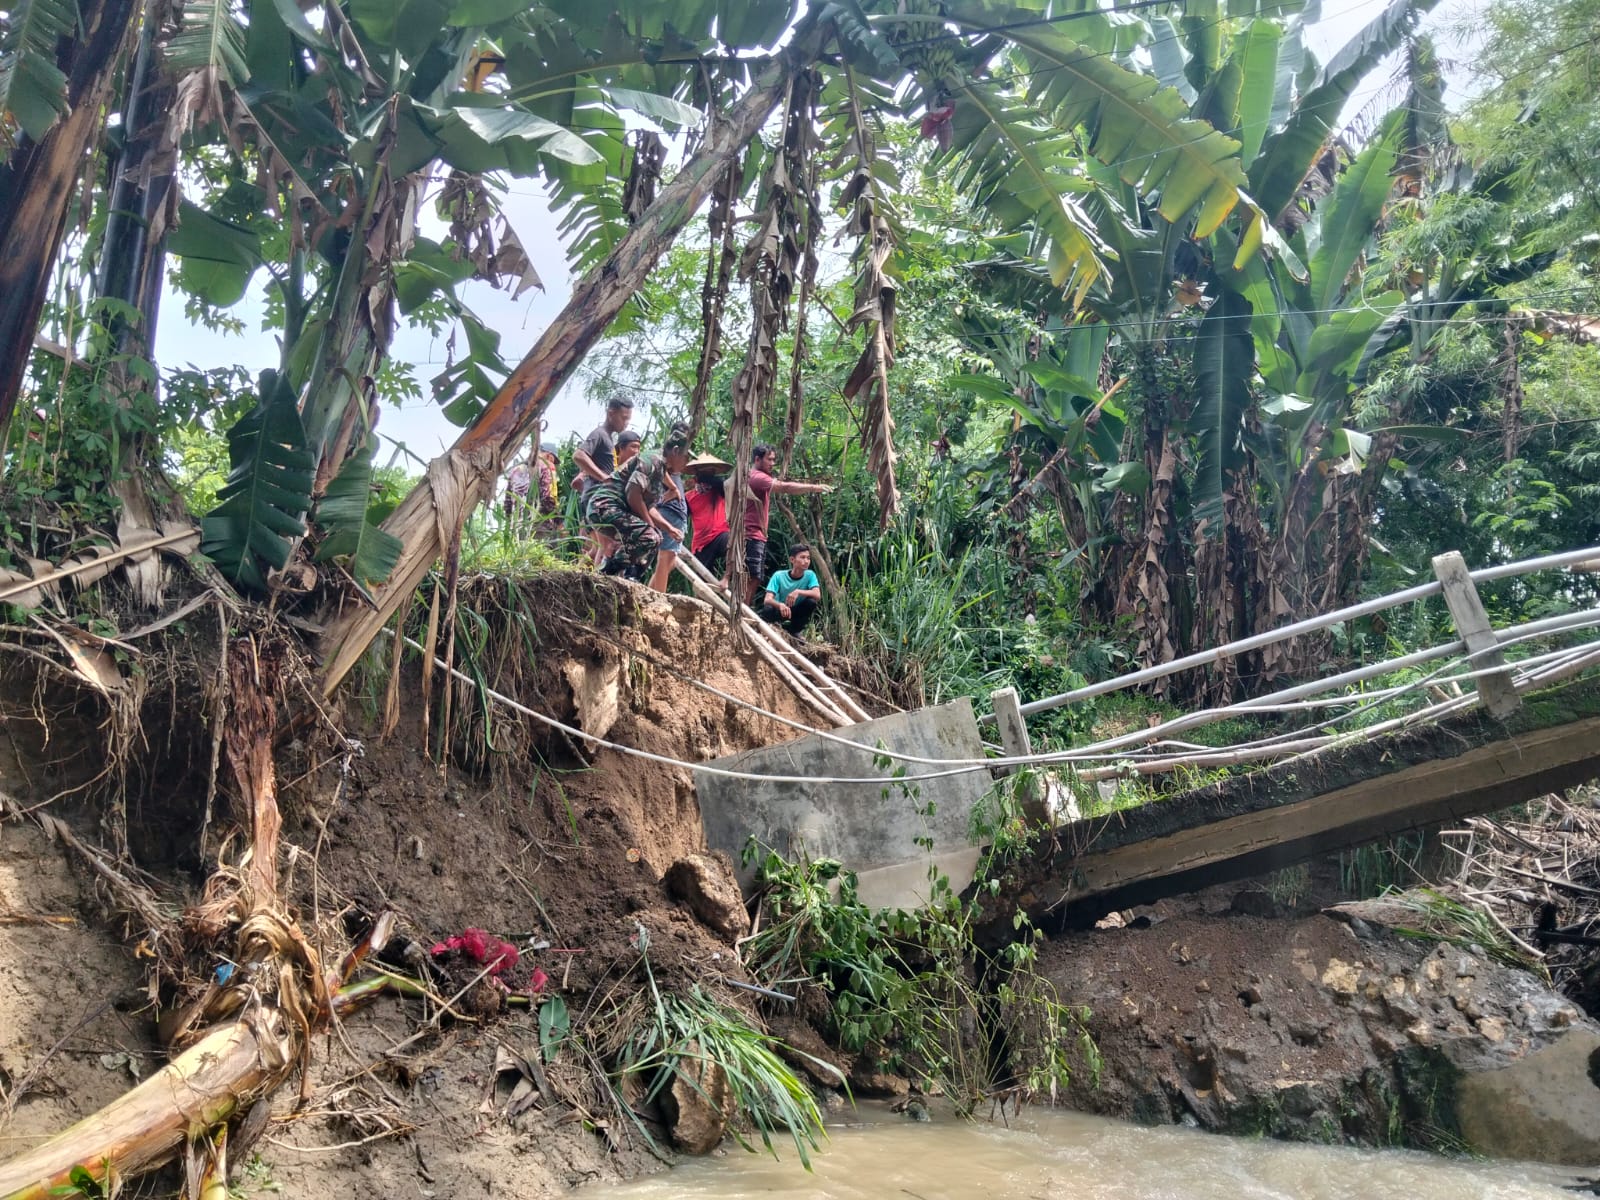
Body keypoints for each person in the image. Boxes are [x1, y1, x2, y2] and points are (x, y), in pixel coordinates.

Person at [587, 424, 694, 582]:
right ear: (676, 451)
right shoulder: (653, 460)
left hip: (612, 510)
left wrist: (668, 528)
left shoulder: (659, 469)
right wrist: (649, 524)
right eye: (686, 457)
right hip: (605, 507)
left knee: (654, 537)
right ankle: (607, 573)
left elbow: (648, 506)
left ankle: (626, 577)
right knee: (650, 536)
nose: (687, 462)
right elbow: (632, 494)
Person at [741, 443, 832, 601]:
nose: (773, 463)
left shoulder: (755, 476)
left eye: (774, 460)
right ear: (757, 459)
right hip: (752, 533)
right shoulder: (757, 477)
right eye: (769, 460)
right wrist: (814, 487)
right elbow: (784, 487)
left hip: (755, 533)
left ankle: (743, 608)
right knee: (753, 576)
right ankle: (742, 609)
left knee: (753, 575)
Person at [574, 398, 634, 563]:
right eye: (624, 417)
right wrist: (603, 477)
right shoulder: (599, 434)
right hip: (597, 497)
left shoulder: (608, 438)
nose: (626, 423)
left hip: (597, 496)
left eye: (629, 418)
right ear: (610, 413)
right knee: (607, 545)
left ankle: (580, 577)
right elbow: (578, 455)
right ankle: (598, 585)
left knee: (599, 546)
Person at [683, 453, 733, 578]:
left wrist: (706, 476)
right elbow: (682, 518)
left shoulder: (720, 490)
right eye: (704, 472)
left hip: (720, 535)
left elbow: (721, 483)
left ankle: (727, 579)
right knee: (702, 579)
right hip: (702, 543)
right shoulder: (689, 497)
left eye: (711, 471)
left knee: (733, 543)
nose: (708, 475)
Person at [761, 543, 822, 638]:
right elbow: (767, 599)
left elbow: (817, 595)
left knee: (811, 602)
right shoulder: (779, 575)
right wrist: (780, 605)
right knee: (768, 608)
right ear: (792, 560)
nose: (806, 561)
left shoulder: (810, 575)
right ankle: (768, 629)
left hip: (795, 612)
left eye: (808, 558)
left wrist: (798, 591)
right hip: (780, 610)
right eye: (802, 557)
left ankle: (794, 631)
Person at [647, 464, 688, 593]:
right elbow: (660, 467)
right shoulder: (665, 466)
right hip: (671, 513)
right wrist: (674, 488)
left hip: (675, 514)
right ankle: (659, 596)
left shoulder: (675, 473)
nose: (685, 461)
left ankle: (650, 593)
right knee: (666, 557)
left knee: (670, 560)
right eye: (684, 457)